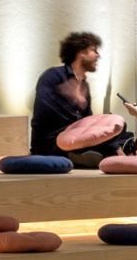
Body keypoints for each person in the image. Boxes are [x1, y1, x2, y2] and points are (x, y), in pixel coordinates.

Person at [30, 31, 127, 162]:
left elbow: (88, 123)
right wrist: (75, 106)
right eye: (94, 50)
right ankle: (92, 155)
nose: (98, 55)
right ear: (81, 53)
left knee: (120, 129)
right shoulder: (53, 76)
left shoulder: (83, 85)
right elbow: (45, 111)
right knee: (108, 142)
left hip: (77, 139)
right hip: (52, 143)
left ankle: (95, 155)